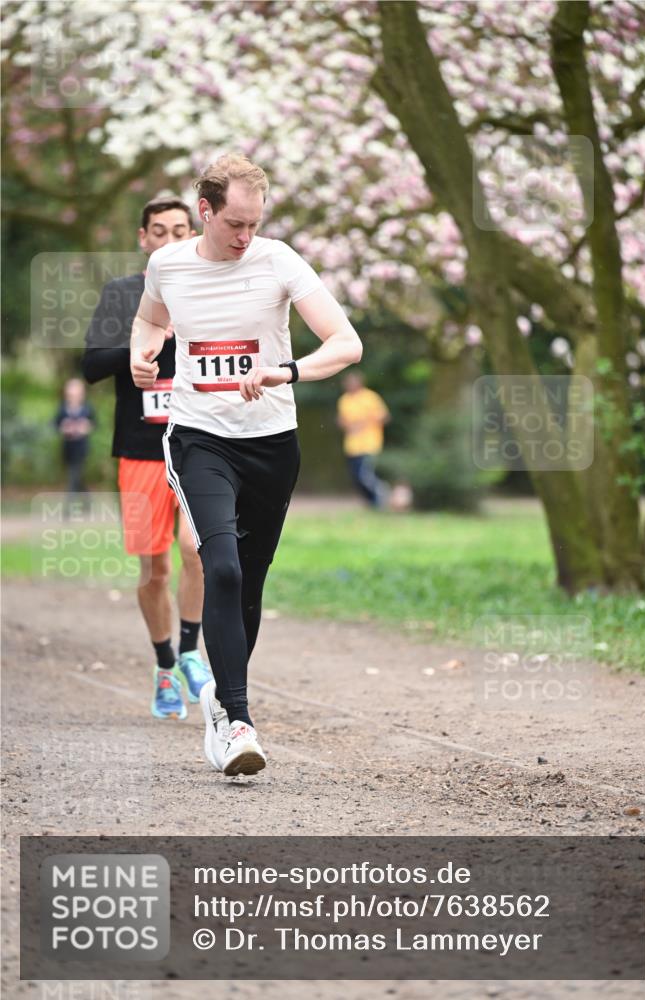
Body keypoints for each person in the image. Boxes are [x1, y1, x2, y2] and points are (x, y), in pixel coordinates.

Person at [130, 153, 362, 777]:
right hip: (199, 437)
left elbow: (346, 343)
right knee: (221, 565)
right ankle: (237, 722)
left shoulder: (279, 260)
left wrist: (287, 370)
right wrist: (143, 353)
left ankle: (216, 698)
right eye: (234, 222)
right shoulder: (168, 265)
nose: (244, 235)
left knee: (249, 584)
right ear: (204, 211)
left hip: (272, 442)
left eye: (254, 223)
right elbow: (151, 318)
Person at [82, 192, 212, 722]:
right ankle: (164, 668)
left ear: (194, 233)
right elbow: (90, 365)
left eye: (180, 230)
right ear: (144, 239)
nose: (170, 239)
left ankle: (189, 651)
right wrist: (135, 352)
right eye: (159, 231)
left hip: (200, 441)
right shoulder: (121, 295)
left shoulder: (211, 291)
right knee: (155, 567)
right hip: (139, 450)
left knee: (196, 550)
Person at [337, 370, 390, 507]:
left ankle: (380, 496)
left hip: (369, 444)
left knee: (365, 475)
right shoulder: (344, 400)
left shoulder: (370, 397)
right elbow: (342, 420)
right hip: (352, 446)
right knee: (356, 477)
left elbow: (384, 416)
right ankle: (371, 502)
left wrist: (363, 423)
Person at [54, 378, 95, 512]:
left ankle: (67, 510)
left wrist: (85, 427)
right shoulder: (62, 409)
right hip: (68, 449)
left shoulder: (87, 409)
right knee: (78, 479)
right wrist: (65, 428)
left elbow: (93, 424)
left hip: (81, 449)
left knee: (73, 477)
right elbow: (56, 424)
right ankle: (88, 501)